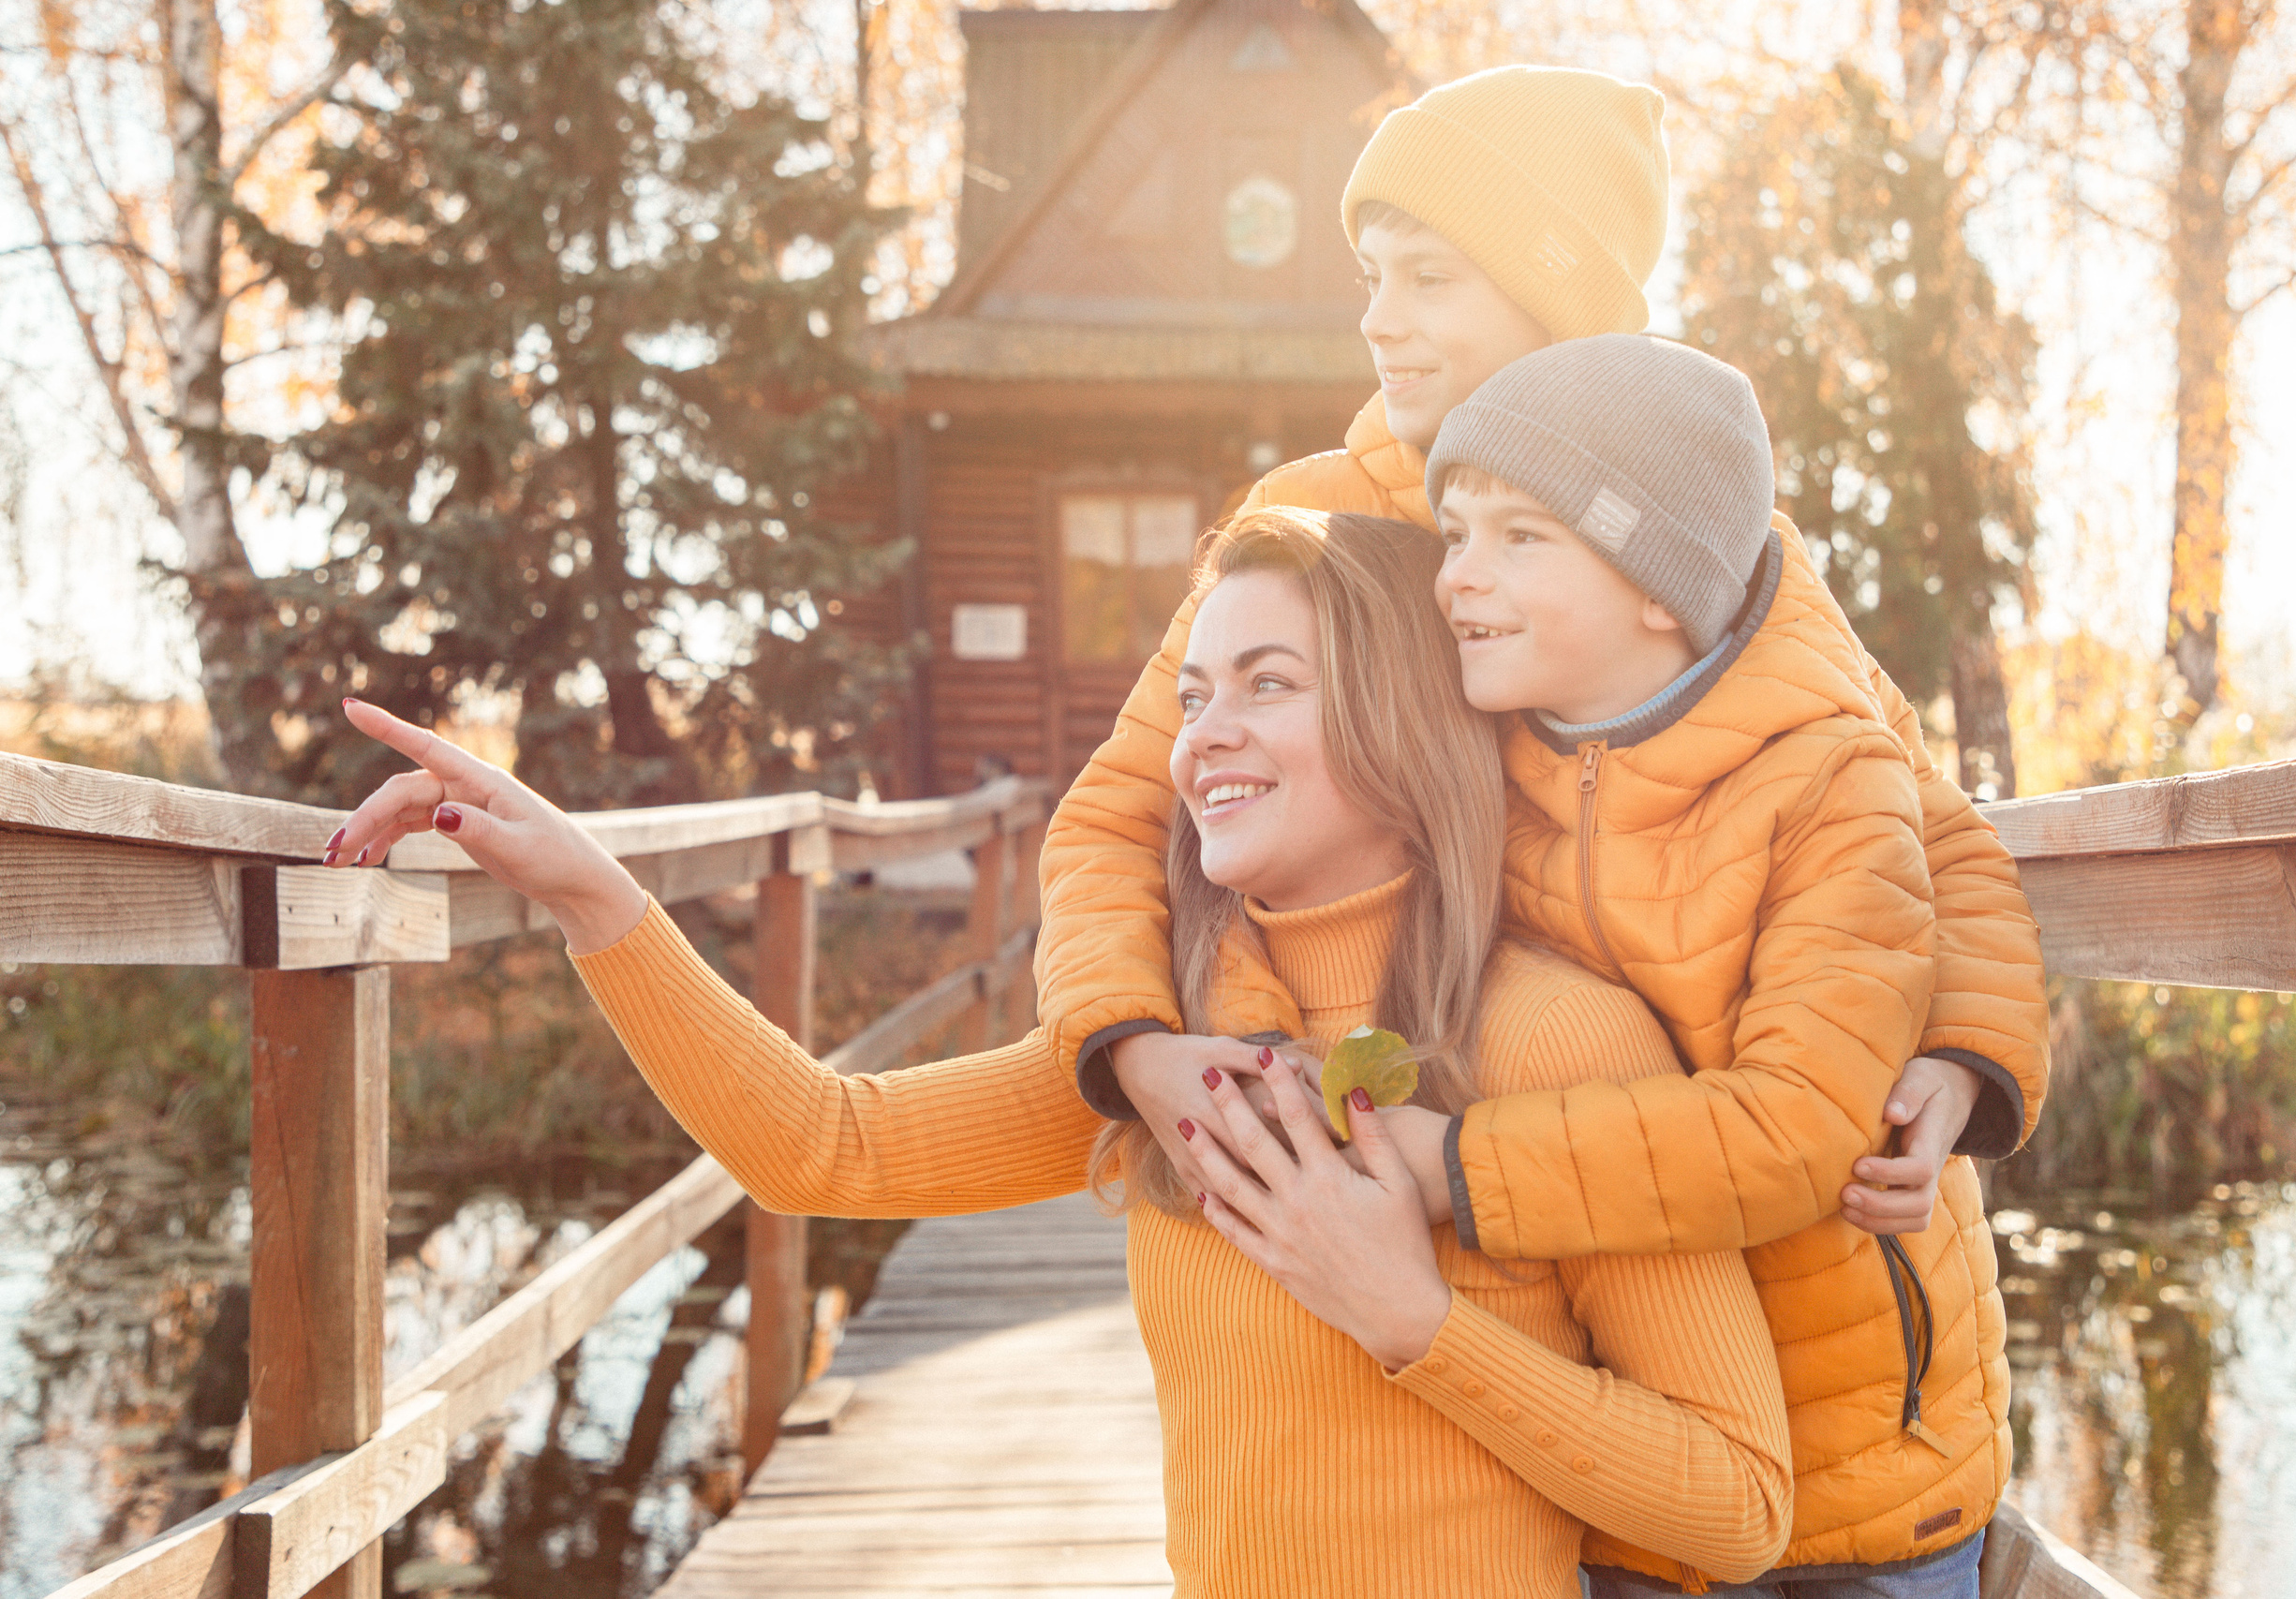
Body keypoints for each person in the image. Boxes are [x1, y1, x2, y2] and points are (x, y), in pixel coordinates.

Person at [322, 510, 1794, 1599]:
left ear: (1406, 718)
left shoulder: (1560, 1037)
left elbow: (1738, 1505)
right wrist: (598, 896)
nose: (1204, 734)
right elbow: (823, 1147)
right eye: (1196, 692)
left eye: (1267, 683)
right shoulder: (1175, 1042)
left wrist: (1418, 1323)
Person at [1033, 67, 2047, 1595]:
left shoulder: (1717, 553)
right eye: (1370, 277)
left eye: (1428, 275)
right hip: (1575, 1350)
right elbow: (1124, 818)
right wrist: (1131, 1043)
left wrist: (1962, 1064)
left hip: (1841, 1351)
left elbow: (1940, 839)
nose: (1377, 319)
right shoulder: (1315, 526)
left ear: (1557, 293)